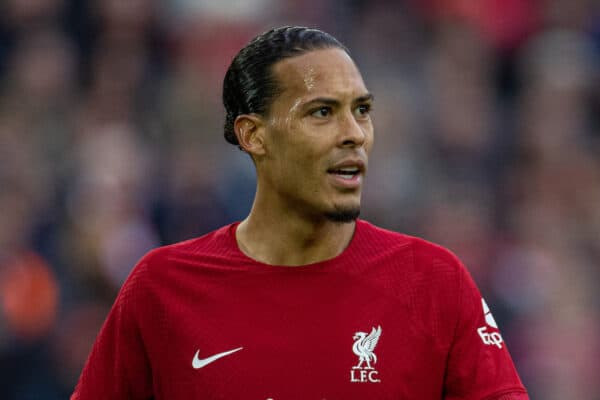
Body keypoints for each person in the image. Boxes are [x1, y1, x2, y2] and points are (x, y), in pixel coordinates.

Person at [72, 26, 528, 399]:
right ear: (253, 135)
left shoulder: (434, 281)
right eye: (322, 112)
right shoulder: (161, 288)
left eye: (362, 110)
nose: (354, 134)